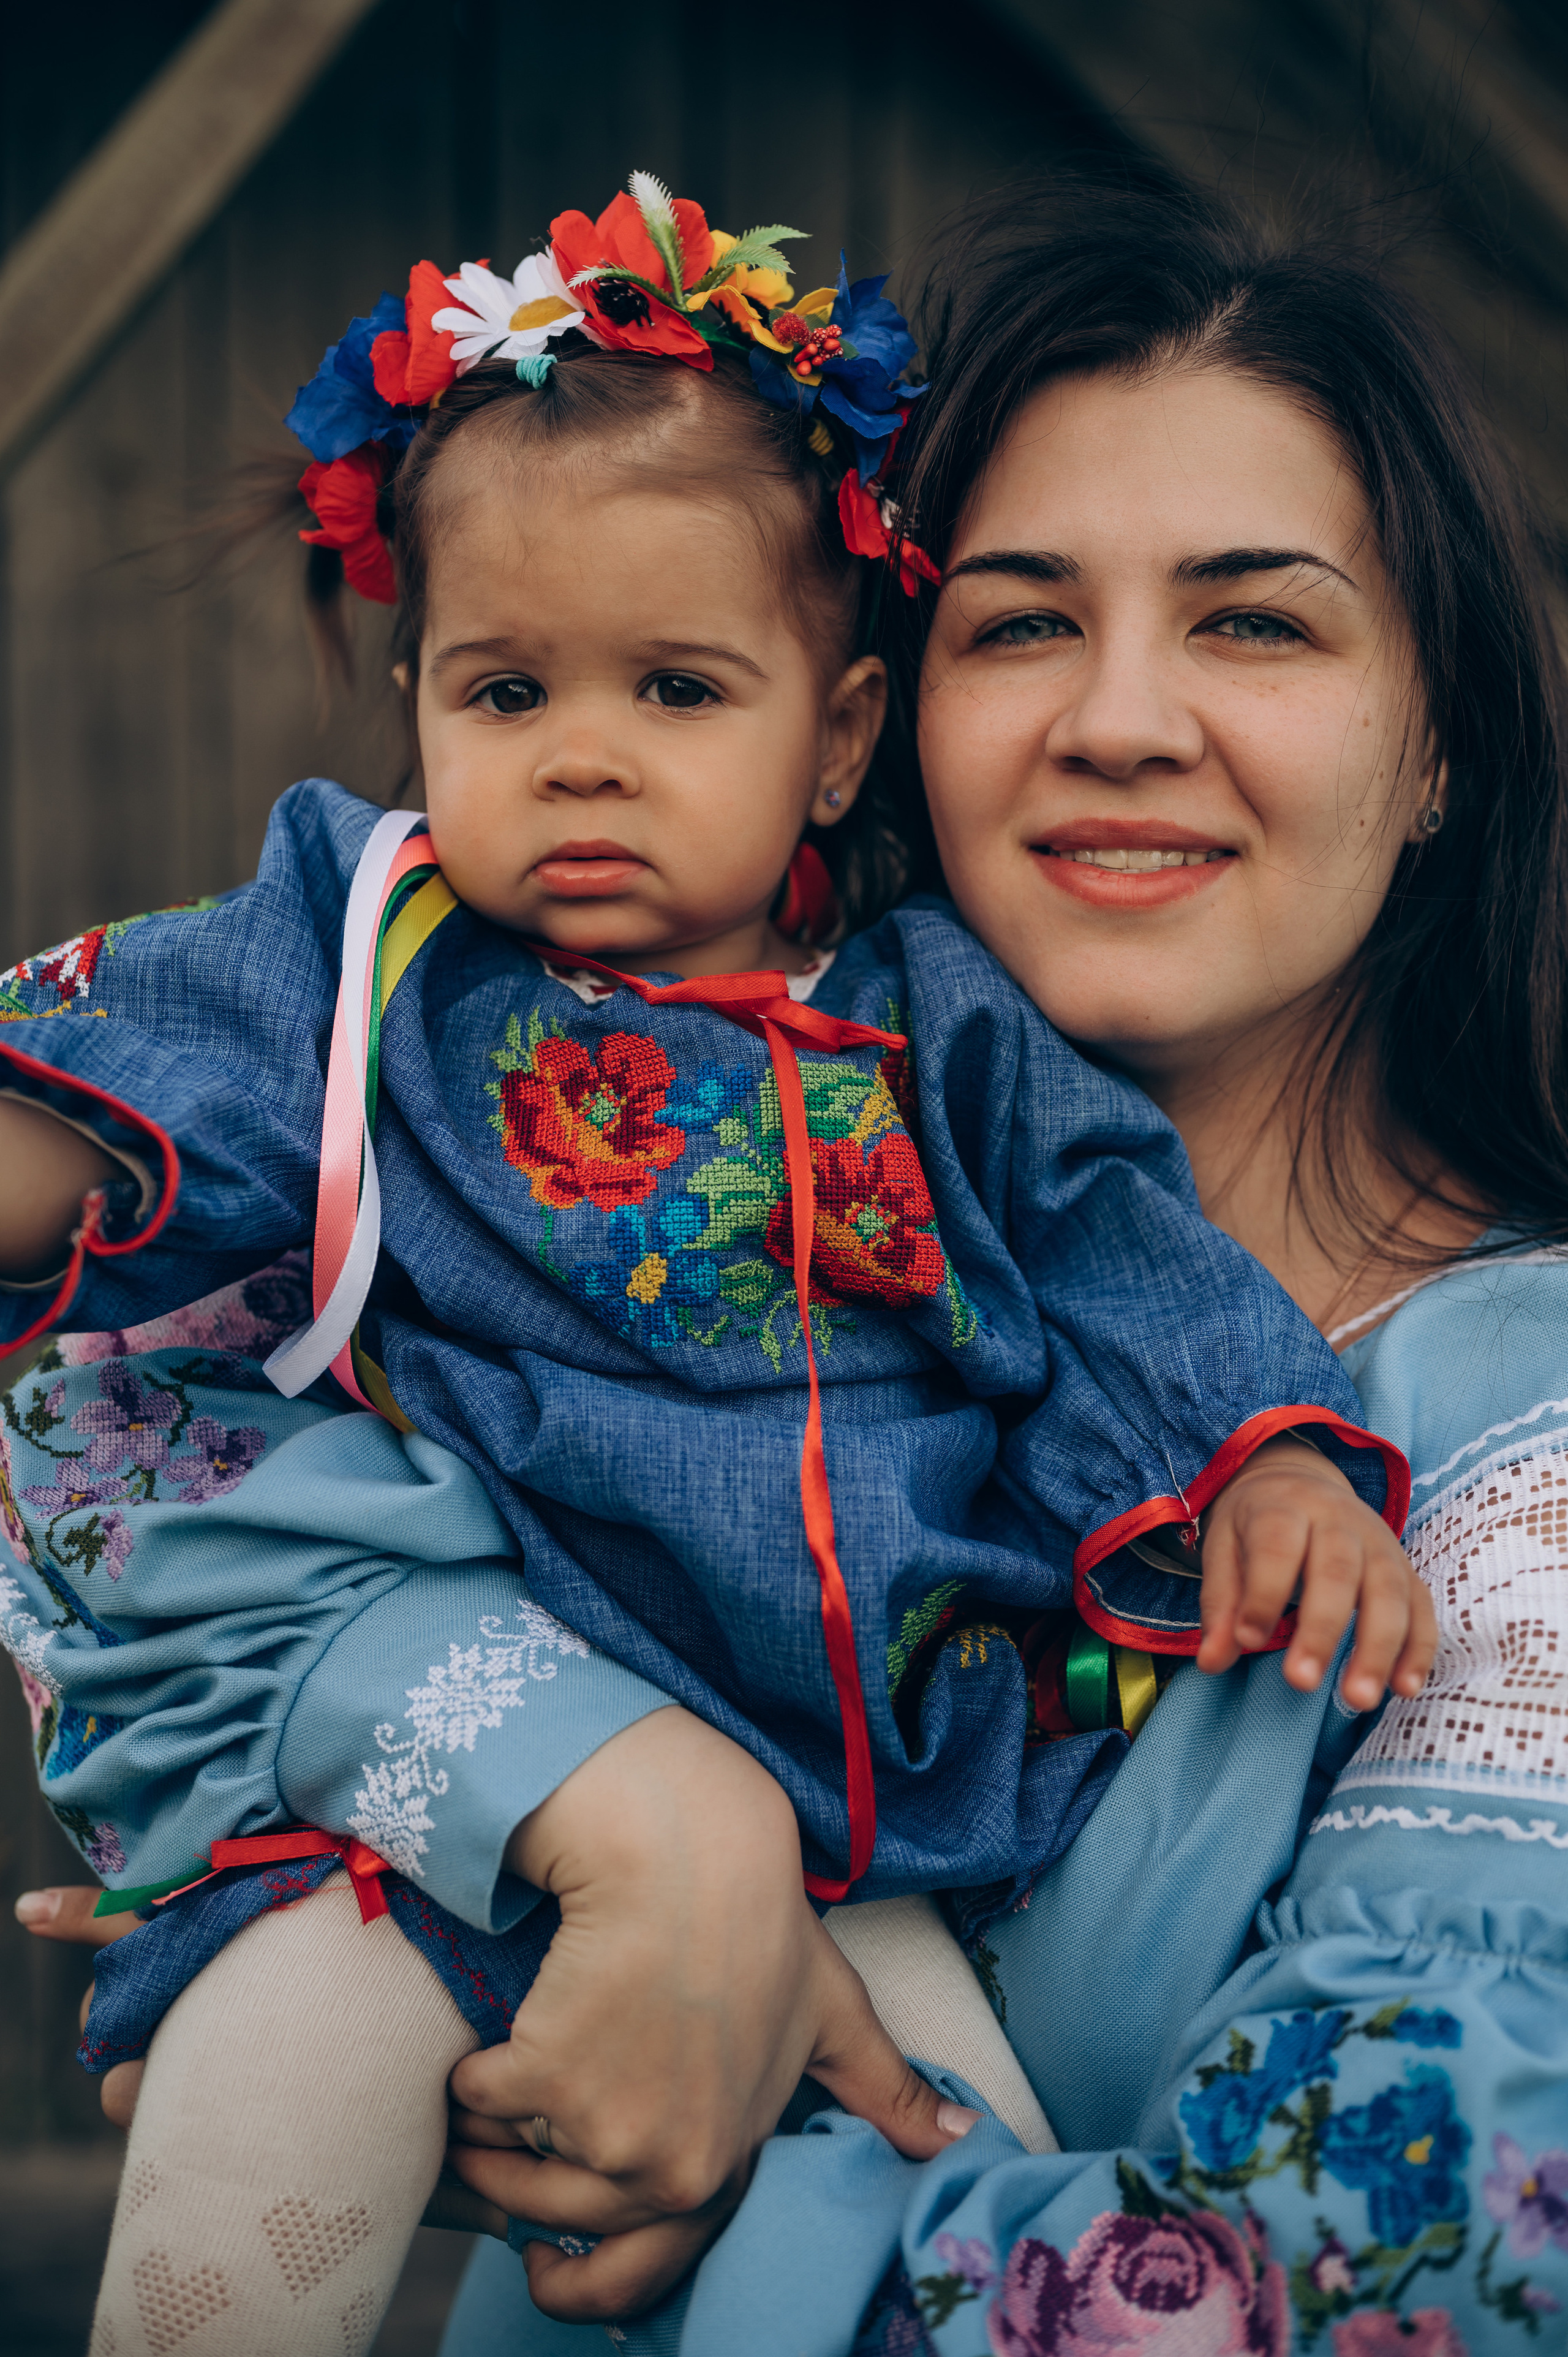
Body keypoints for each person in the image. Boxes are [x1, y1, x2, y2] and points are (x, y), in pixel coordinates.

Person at [0, 170, 1421, 2350]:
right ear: (416, 695)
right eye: (500, 692)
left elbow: (1121, 1257)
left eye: (677, 687)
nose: (580, 753)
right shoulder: (370, 963)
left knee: (970, 2186)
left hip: (877, 1832)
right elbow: (138, 1080)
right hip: (460, 1765)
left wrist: (1276, 1464)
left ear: (835, 734)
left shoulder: (940, 1033)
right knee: (271, 2112)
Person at [498, 173, 1568, 2353]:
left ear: (1438, 738)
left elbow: (1389, 2271)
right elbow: (139, 1431)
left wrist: (716, 2135)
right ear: (870, 719)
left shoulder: (1528, 1450)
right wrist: (590, 1811)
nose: (1118, 721)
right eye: (1019, 621)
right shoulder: (696, 1263)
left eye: (1255, 622)